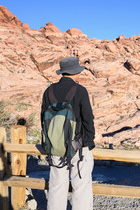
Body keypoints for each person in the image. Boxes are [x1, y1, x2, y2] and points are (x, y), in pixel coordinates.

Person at [41, 57, 95, 210]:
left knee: (56, 186)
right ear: (75, 72)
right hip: (78, 146)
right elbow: (88, 119)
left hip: (55, 147)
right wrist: (89, 141)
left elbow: (43, 118)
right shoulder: (80, 90)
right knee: (81, 186)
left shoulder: (49, 91)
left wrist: (50, 141)